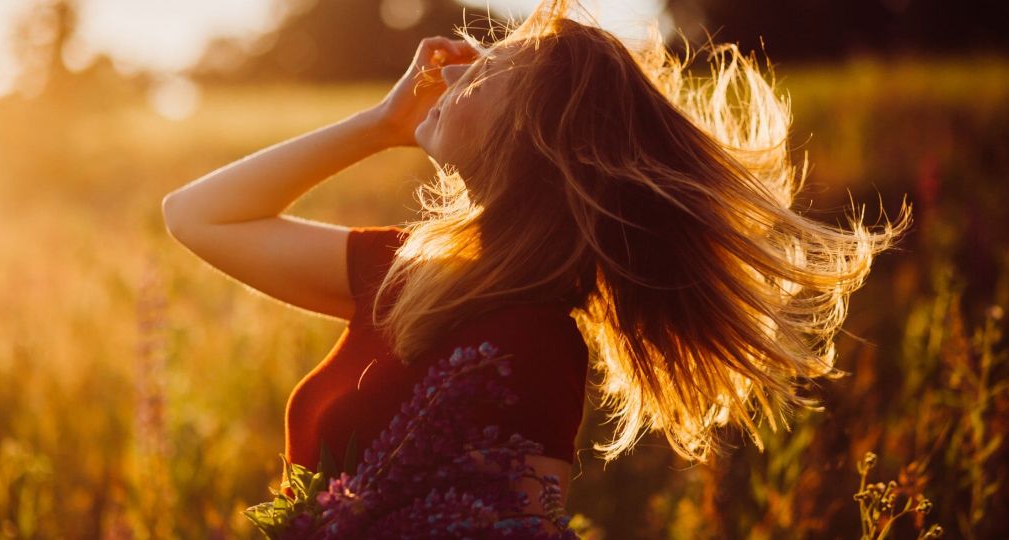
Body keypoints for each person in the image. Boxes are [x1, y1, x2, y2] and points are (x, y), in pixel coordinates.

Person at [161, 0, 910, 526]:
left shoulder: (535, 343)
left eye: (489, 76)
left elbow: (524, 528)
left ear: (535, 138)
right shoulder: (407, 270)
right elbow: (194, 215)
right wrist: (377, 125)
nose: (452, 77)